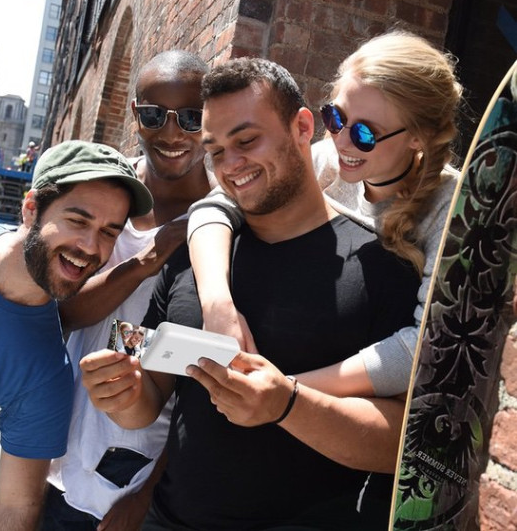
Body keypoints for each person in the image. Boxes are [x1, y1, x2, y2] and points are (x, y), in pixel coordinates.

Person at [80, 58, 421, 530]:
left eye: (246, 141)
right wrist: (123, 395)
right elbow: (153, 399)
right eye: (216, 151)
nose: (230, 165)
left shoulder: (381, 265)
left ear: (303, 128)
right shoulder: (195, 256)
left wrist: (287, 405)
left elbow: (404, 444)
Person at [187, 30, 463, 397]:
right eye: (336, 118)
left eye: (365, 133)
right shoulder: (327, 161)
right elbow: (214, 206)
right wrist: (218, 304)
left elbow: (425, 348)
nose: (341, 141)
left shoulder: (453, 210)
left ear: (418, 136)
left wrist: (284, 392)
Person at [41, 50, 212, 530]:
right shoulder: (104, 193)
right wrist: (148, 260)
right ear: (136, 114)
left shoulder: (222, 221)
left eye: (192, 117)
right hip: (47, 453)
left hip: (126, 481)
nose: (173, 133)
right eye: (155, 115)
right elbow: (64, 310)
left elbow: (203, 375)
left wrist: (152, 490)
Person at [0, 139, 152, 530]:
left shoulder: (45, 373)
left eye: (109, 232)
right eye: (78, 221)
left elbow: (16, 507)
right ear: (31, 209)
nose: (90, 246)